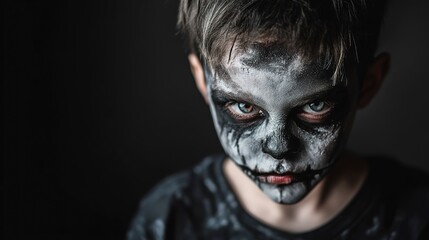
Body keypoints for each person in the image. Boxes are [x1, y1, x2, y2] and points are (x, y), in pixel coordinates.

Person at [128, 0, 429, 239]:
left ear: (368, 83)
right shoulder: (168, 218)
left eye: (315, 105)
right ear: (202, 80)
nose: (278, 148)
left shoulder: (416, 219)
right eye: (243, 107)